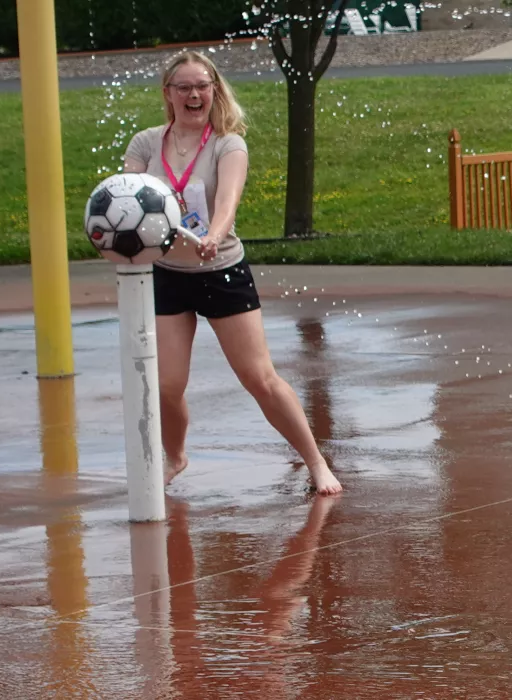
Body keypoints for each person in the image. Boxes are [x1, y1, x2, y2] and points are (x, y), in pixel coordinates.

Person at [122, 50, 342, 496]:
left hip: (220, 268)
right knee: (165, 384)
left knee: (259, 378)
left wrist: (213, 235)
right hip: (167, 274)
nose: (194, 94)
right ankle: (176, 456)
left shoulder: (228, 143)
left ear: (215, 90)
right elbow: (125, 197)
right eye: (183, 86)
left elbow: (228, 203)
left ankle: (316, 462)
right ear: (168, 94)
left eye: (203, 85)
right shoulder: (146, 144)